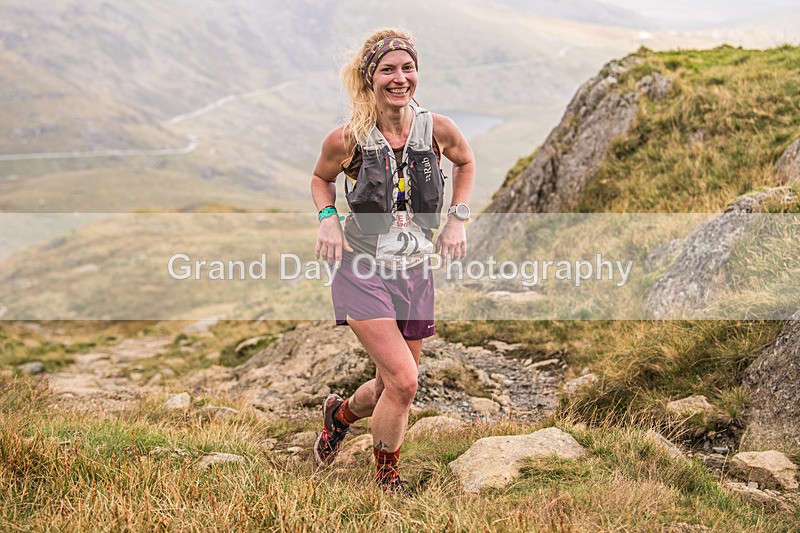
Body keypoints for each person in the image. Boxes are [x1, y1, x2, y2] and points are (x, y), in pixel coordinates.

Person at [309, 28, 475, 494]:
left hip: (414, 272)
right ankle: (387, 483)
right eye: (388, 70)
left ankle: (338, 416)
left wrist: (457, 219)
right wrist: (327, 218)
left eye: (407, 68)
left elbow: (466, 162)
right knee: (404, 382)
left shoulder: (438, 129)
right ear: (370, 78)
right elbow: (320, 179)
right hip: (362, 271)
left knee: (386, 388)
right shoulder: (348, 139)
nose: (399, 78)